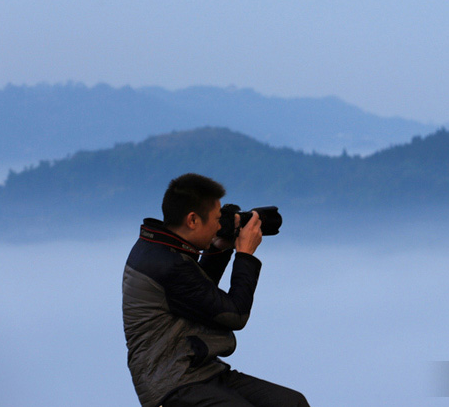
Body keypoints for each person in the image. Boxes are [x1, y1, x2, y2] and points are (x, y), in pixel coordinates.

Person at [122, 173, 309, 407]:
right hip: (170, 383)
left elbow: (198, 297)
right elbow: (235, 315)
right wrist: (244, 255)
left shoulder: (161, 248)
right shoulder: (167, 264)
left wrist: (220, 249)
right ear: (192, 220)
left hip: (199, 370)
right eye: (217, 219)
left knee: (292, 403)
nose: (220, 226)